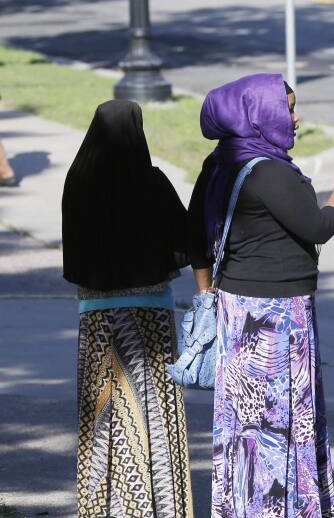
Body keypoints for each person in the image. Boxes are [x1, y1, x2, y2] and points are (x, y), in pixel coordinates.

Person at [188, 73, 334, 518]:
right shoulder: (269, 172)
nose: (296, 119)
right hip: (277, 318)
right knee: (279, 421)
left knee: (247, 423)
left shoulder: (219, 164)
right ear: (260, 115)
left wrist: (208, 295)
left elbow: (193, 239)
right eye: (288, 109)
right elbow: (319, 226)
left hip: (236, 310)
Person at [62, 100, 193, 517]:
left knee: (102, 416)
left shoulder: (78, 180)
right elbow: (187, 242)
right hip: (150, 315)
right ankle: (156, 506)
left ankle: (102, 506)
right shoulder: (151, 182)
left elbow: (74, 252)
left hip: (96, 317)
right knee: (153, 415)